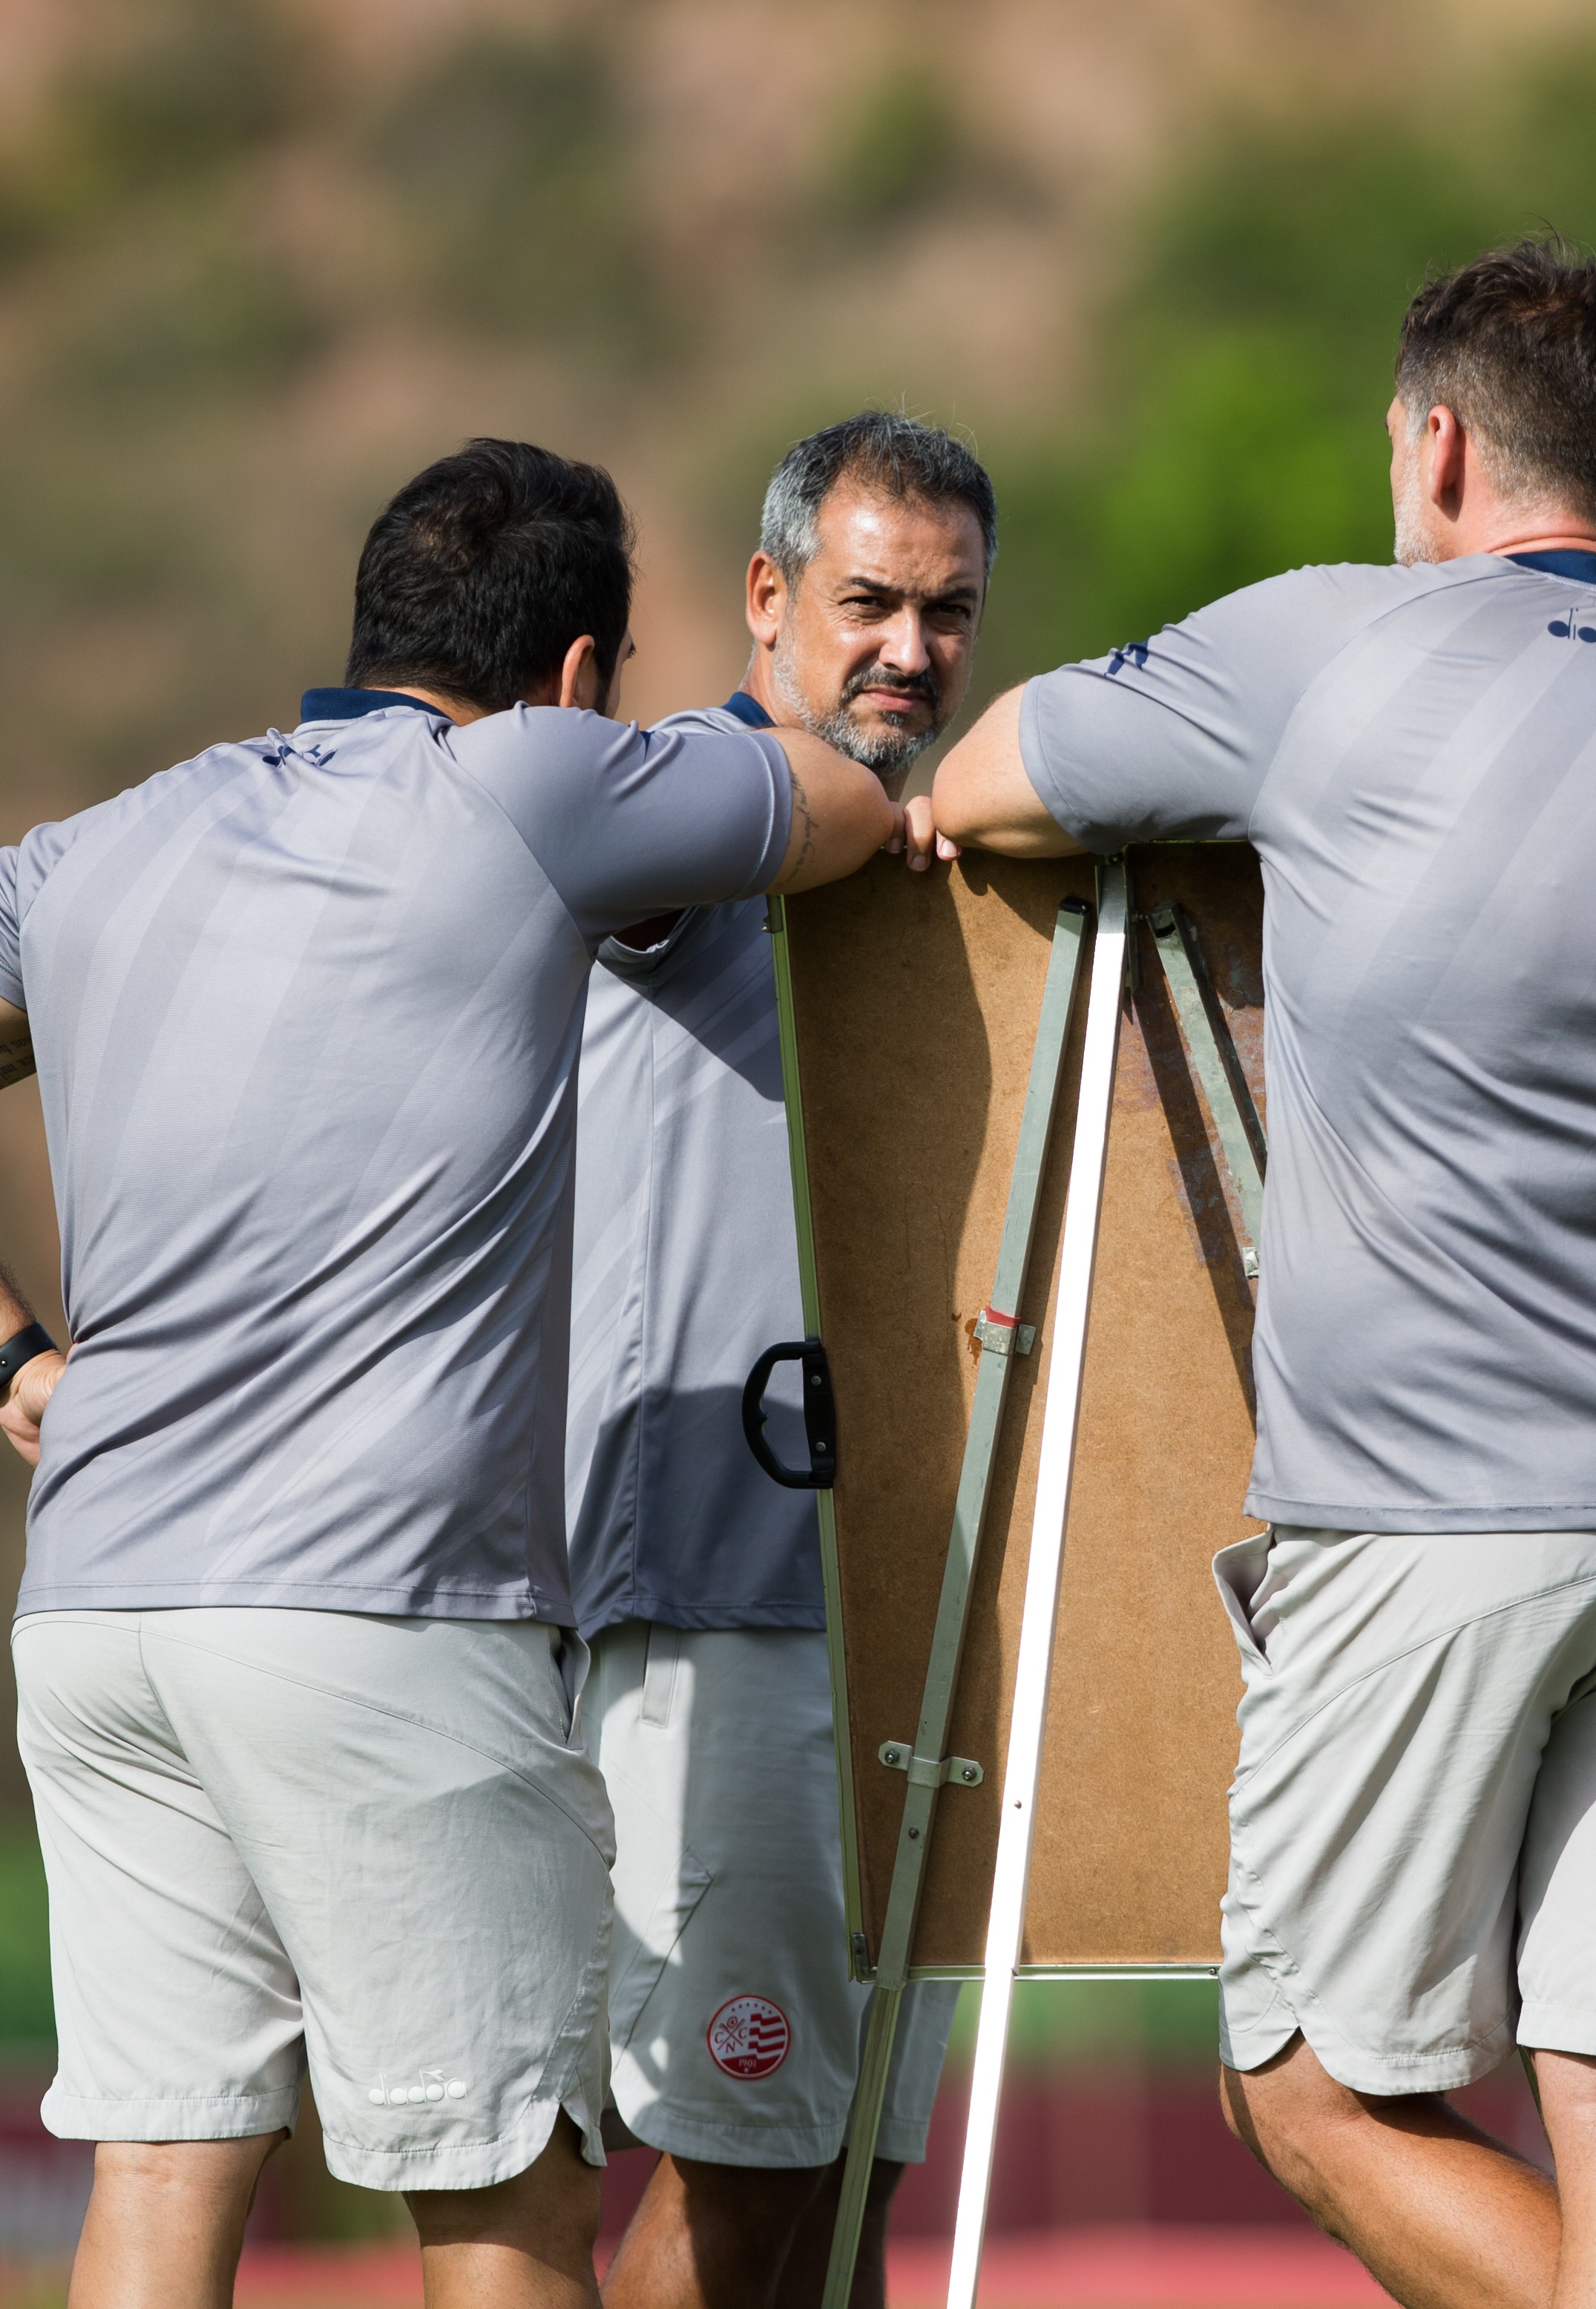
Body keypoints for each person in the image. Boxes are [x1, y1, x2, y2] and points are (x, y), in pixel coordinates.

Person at [0, 439, 902, 2309]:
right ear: (575, 672)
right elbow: (840, 802)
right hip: (378, 1610)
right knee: (504, 2196)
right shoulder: (532, 777)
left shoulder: (109, 838)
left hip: (100, 1608)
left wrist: (11, 1356)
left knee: (164, 2166)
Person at [914, 238, 1596, 2309]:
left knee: (1308, 2084)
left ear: (1437, 448)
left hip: (1442, 1507)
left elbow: (984, 778)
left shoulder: (1331, 644)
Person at [573, 414, 992, 2309]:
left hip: (895, 1613)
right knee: (743, 2170)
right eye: (869, 602)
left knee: (845, 2172)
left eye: (950, 612)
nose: (911, 647)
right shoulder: (693, 799)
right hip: (713, 1603)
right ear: (766, 596)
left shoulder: (920, 849)